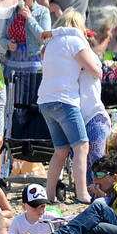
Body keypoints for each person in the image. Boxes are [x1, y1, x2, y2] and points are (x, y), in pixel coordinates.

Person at [37, 11, 100, 203]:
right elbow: (95, 70)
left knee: (60, 151)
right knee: (81, 146)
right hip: (65, 100)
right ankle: (82, 194)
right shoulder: (75, 42)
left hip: (45, 101)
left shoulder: (49, 44)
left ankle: (49, 195)